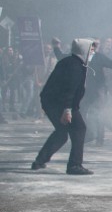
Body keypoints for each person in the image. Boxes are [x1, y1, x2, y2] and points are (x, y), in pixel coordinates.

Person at [31, 37, 95, 175]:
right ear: (84, 50)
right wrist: (67, 110)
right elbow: (69, 89)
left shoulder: (72, 62)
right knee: (79, 128)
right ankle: (74, 165)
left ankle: (39, 161)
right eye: (91, 49)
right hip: (59, 103)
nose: (92, 52)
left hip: (52, 102)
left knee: (61, 133)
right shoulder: (75, 66)